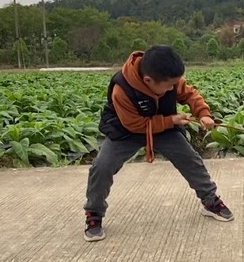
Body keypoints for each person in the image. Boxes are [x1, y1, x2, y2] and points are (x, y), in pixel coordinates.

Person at [83, 45, 234, 242]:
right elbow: (136, 125)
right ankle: (93, 213)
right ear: (148, 81)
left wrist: (204, 114)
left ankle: (210, 200)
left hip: (163, 127)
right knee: (101, 166)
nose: (173, 89)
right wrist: (171, 120)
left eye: (175, 84)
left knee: (190, 159)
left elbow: (190, 95)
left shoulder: (169, 78)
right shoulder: (122, 89)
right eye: (169, 86)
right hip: (127, 130)